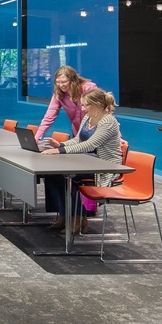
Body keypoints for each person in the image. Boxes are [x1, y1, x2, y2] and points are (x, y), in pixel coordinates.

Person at [40, 88, 123, 231]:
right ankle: (64, 214)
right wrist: (61, 145)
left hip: (104, 165)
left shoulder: (109, 122)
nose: (82, 109)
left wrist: (60, 151)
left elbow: (90, 144)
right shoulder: (87, 118)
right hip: (86, 160)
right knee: (52, 174)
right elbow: (78, 140)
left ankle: (78, 217)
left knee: (70, 175)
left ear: (96, 105)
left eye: (85, 105)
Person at [33, 65, 98, 142]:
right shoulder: (59, 93)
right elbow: (49, 116)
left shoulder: (88, 88)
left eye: (64, 82)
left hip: (97, 132)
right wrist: (37, 137)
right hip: (78, 134)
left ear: (73, 80)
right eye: (58, 82)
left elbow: (104, 110)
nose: (61, 85)